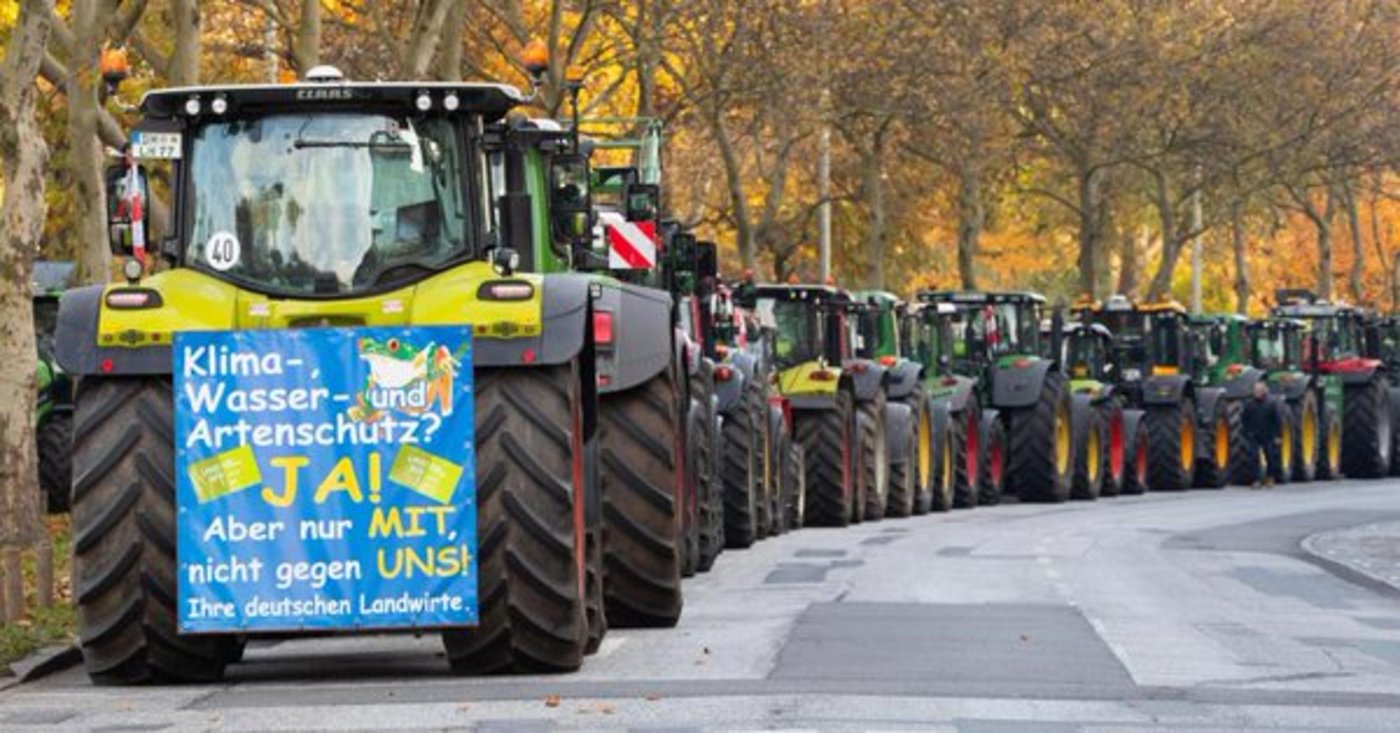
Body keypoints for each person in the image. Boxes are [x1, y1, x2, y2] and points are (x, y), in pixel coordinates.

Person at [1242, 380, 1282, 488]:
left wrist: (1278, 435)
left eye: (1259, 390)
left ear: (1264, 391)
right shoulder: (1249, 404)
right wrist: (1246, 432)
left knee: (1270, 457)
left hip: (1268, 435)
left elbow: (1277, 421)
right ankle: (1256, 480)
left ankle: (1270, 478)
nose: (1257, 392)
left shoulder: (1271, 404)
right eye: (1256, 390)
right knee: (1253, 457)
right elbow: (1244, 419)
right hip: (1253, 435)